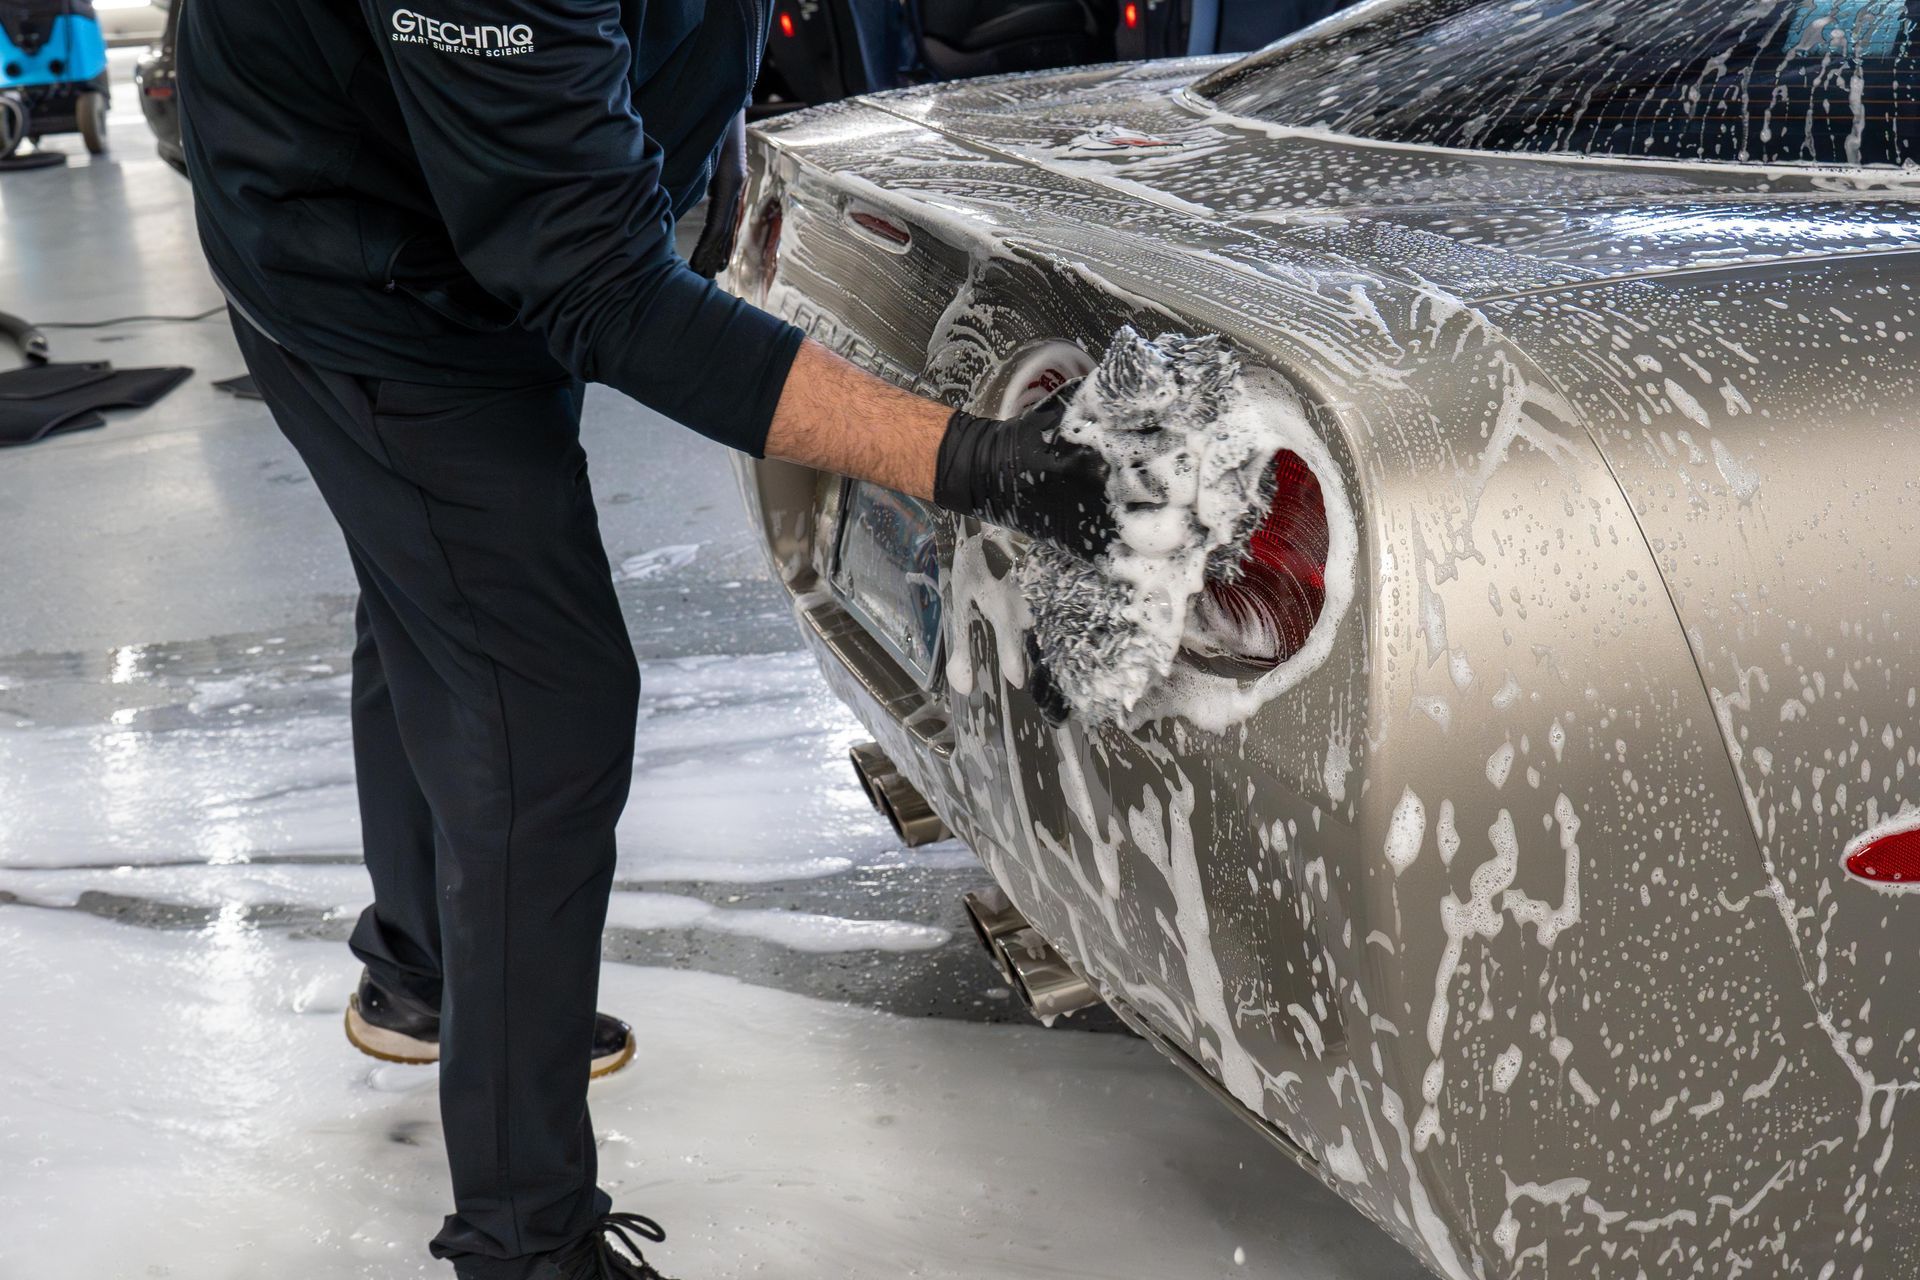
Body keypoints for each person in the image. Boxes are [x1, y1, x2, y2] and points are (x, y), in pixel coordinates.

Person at [175, 2, 1112, 1277]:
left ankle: (420, 974)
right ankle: (525, 1239)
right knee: (543, 707)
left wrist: (695, 137)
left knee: (434, 584)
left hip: (447, 208)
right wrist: (976, 461)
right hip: (363, 274)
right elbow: (596, 287)